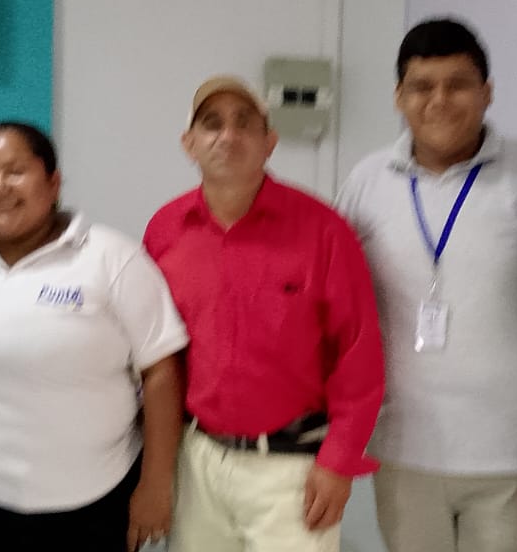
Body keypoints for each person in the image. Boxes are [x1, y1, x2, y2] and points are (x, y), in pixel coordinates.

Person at [334, 18, 517, 552]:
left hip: (512, 453)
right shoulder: (367, 180)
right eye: (422, 86)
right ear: (398, 96)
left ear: (487, 92)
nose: (439, 100)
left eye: (457, 85)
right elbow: (335, 299)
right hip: (403, 446)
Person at [143, 76, 385, 552]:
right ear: (189, 144)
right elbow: (156, 356)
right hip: (198, 462)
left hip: (292, 471)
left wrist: (339, 461)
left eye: (244, 123)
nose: (228, 136)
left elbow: (358, 354)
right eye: (211, 124)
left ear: (269, 142)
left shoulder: (323, 231)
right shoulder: (165, 230)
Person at [0, 121, 188, 552]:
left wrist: (156, 484)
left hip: (92, 505)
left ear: (53, 182)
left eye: (15, 171)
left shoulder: (111, 257)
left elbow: (162, 370)